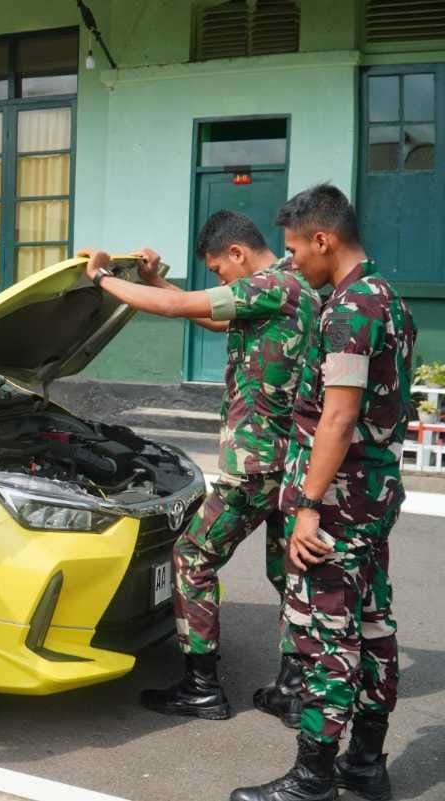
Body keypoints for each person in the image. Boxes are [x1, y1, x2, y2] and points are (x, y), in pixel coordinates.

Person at [80, 211, 318, 722]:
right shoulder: (296, 285)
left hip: (254, 462)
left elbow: (175, 307)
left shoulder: (264, 285)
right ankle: (295, 689)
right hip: (294, 463)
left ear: (237, 253)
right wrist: (155, 279)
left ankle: (202, 686)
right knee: (288, 572)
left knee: (192, 557)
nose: (218, 281)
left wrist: (102, 277)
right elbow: (212, 316)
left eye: (217, 270)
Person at [231, 184, 413, 801]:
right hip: (373, 493)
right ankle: (364, 763)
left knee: (325, 636)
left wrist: (307, 507)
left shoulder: (350, 309)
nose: (292, 264)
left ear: (323, 240)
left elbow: (336, 418)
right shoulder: (388, 297)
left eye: (294, 251)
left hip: (339, 499)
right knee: (373, 624)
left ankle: (312, 779)